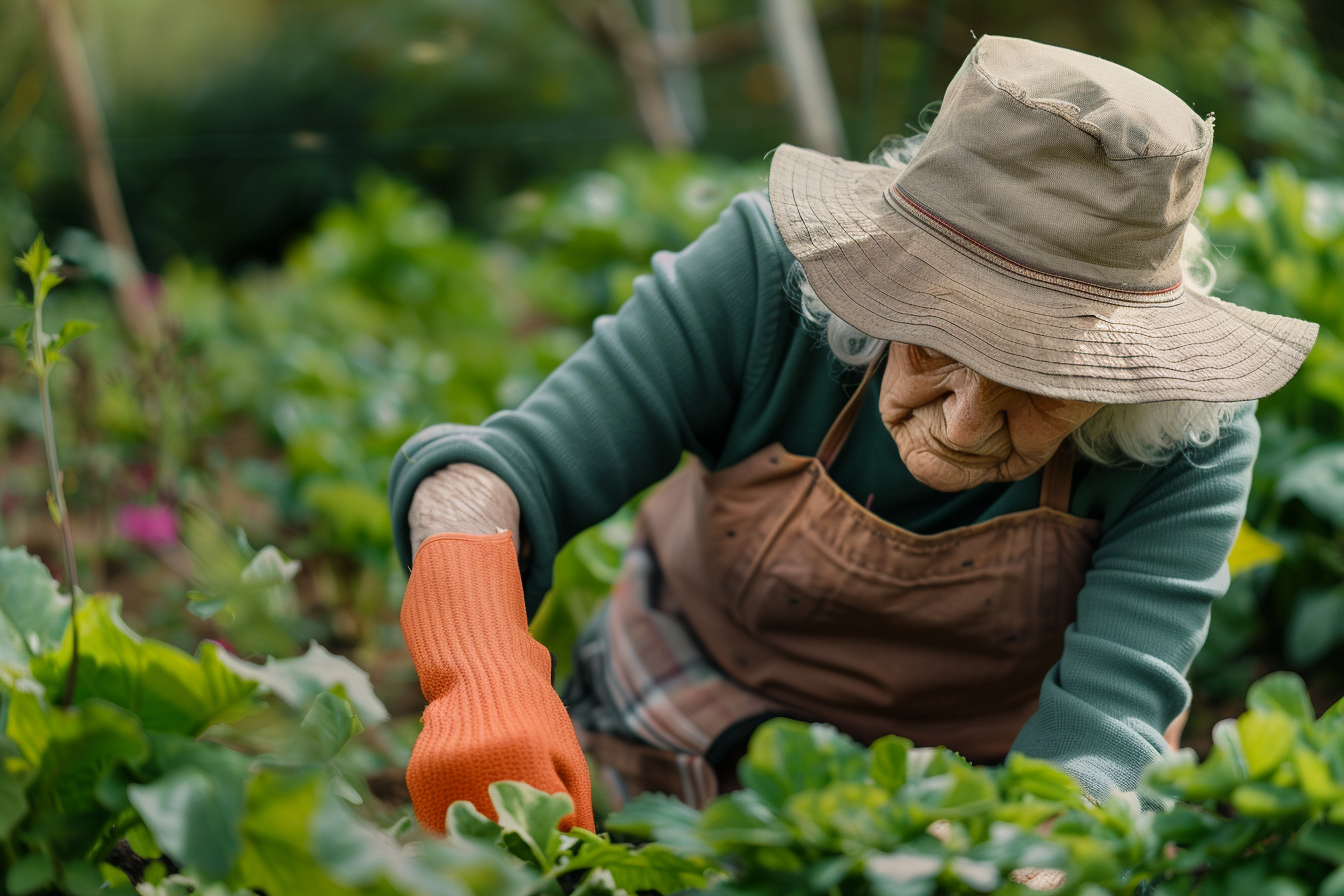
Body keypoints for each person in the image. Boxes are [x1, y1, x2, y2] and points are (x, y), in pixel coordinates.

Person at [390, 35, 1319, 833]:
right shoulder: (761, 283)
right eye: (938, 342)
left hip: (969, 801)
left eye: (1045, 379)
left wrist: (1036, 860)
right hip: (678, 712)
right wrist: (479, 667)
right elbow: (491, 474)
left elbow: (1105, 736)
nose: (965, 419)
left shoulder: (1188, 435)